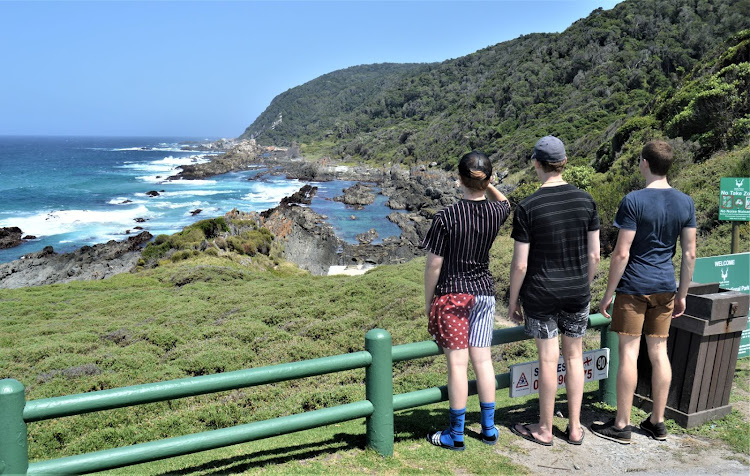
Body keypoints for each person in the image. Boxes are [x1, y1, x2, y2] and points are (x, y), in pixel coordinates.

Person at [591, 140, 696, 444]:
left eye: (640, 160)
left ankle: (622, 425)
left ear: (646, 163)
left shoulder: (633, 200)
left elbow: (621, 253)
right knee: (659, 353)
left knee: (628, 354)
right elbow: (689, 254)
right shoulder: (685, 202)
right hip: (666, 288)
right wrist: (683, 293)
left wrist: (608, 294)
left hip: (634, 288)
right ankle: (657, 422)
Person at [508, 135, 600, 446]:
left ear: (536, 163)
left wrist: (512, 302)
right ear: (563, 163)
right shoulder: (586, 200)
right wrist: (582, 285)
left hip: (541, 293)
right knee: (575, 358)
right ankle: (574, 428)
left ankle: (545, 429)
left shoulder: (528, 206)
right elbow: (595, 256)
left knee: (548, 361)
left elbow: (520, 265)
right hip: (576, 291)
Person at [422, 150, 511, 451]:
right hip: (484, 294)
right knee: (483, 362)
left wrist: (428, 303)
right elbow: (505, 202)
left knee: (458, 366)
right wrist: (488, 184)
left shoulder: (446, 217)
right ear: (487, 180)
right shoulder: (496, 212)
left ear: (458, 179)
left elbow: (434, 265)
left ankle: (455, 434)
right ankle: (488, 429)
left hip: (453, 296)